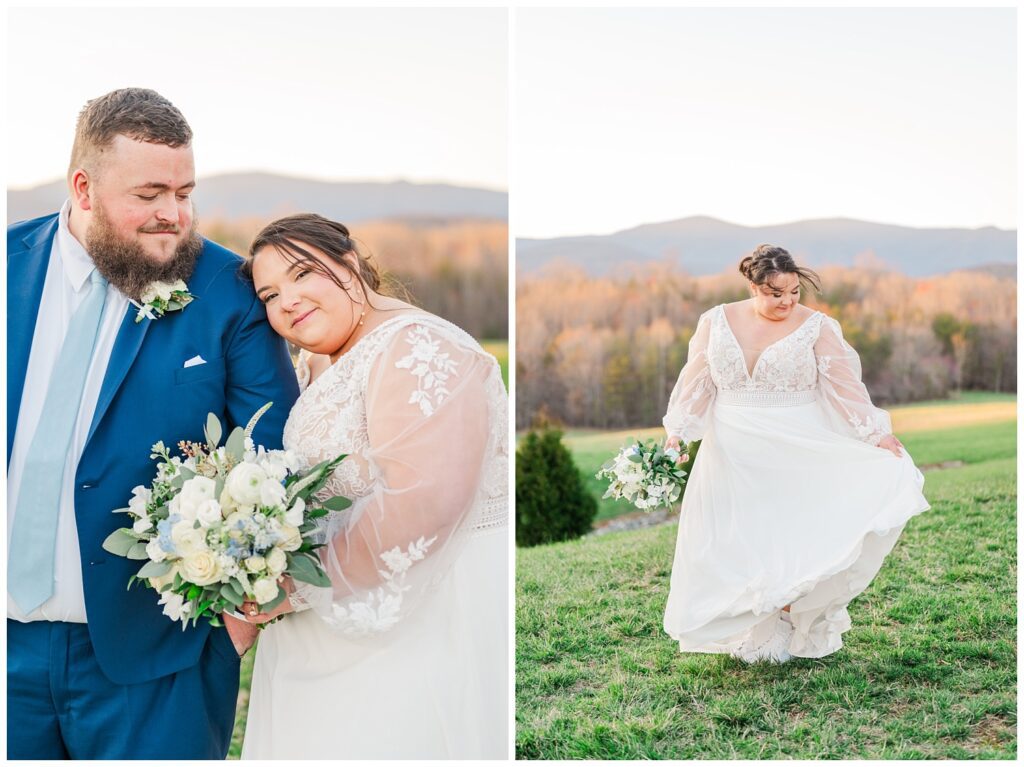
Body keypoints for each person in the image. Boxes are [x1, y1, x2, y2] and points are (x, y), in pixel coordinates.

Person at [6, 88, 299, 759]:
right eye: (150, 193)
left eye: (185, 191)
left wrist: (234, 625)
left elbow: (277, 450)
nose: (174, 214)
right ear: (83, 187)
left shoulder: (228, 289)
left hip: (159, 662)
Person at [236, 214, 509, 759]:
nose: (287, 300)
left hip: (419, 611)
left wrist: (293, 586)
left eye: (302, 274)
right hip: (329, 612)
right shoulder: (315, 357)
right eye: (270, 293)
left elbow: (422, 501)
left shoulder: (416, 346)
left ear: (350, 263)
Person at [661, 244, 930, 663]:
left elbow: (843, 389)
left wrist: (877, 434)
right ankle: (752, 621)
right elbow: (697, 381)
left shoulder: (817, 327)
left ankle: (784, 621)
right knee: (741, 534)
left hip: (795, 445)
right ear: (753, 286)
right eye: (775, 293)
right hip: (731, 448)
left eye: (794, 292)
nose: (786, 301)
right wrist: (677, 435)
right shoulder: (715, 321)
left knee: (787, 533)